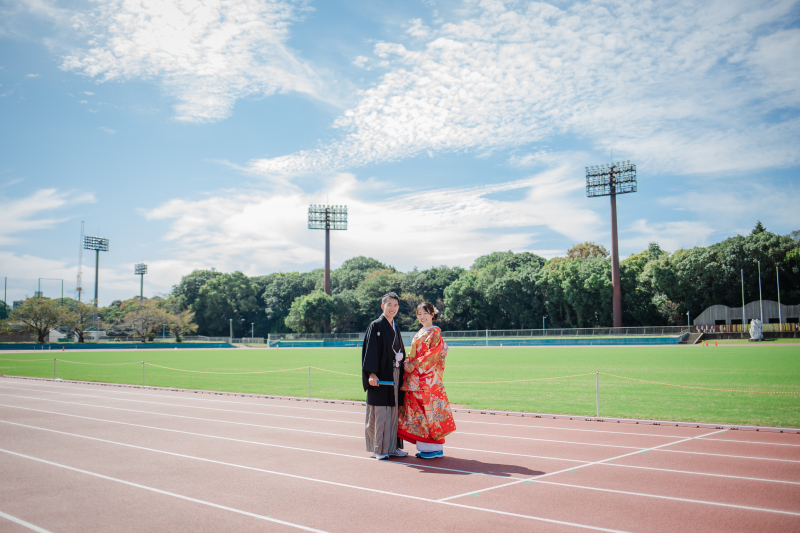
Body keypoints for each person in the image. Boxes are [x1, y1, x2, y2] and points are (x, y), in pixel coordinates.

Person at [398, 302, 456, 459]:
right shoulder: (420, 332)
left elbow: (434, 353)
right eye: (419, 314)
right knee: (420, 411)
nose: (422, 317)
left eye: (425, 313)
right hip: (418, 376)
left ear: (432, 314)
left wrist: (415, 364)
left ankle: (434, 448)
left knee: (429, 411)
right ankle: (428, 446)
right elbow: (413, 352)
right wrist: (407, 363)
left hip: (427, 378)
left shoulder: (435, 332)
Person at [361, 292, 409, 460]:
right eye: (389, 305)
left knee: (394, 411)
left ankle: (392, 447)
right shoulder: (376, 325)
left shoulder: (395, 326)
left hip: (395, 373)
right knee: (380, 412)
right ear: (383, 306)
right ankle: (378, 449)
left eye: (396, 305)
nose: (393, 308)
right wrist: (372, 374)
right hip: (380, 376)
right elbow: (371, 351)